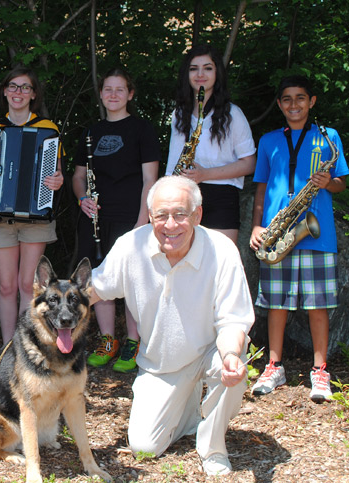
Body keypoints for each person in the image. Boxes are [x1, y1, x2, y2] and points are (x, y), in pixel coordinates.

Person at [91, 176, 254, 476]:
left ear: (197, 215)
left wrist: (231, 355)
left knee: (231, 362)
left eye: (180, 214)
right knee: (144, 447)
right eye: (161, 216)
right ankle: (191, 409)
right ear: (150, 216)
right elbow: (94, 289)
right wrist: (50, 314)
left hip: (210, 351)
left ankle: (213, 449)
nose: (171, 225)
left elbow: (233, 319)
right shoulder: (131, 245)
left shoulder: (222, 250)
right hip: (161, 365)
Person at [249, 75, 347, 403]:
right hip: (278, 233)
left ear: (312, 101)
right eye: (287, 99)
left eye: (300, 98)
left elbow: (341, 183)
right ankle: (274, 365)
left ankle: (320, 370)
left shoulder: (328, 137)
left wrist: (327, 182)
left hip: (316, 235)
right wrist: (256, 226)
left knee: (318, 305)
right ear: (279, 104)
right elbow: (260, 186)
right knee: (276, 302)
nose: (294, 105)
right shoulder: (269, 140)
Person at [0, 66, 64, 344]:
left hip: (36, 217)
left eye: (25, 87)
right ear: (5, 91)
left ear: (33, 95)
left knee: (27, 286)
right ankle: (8, 346)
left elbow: (56, 172)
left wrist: (58, 180)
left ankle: (24, 344)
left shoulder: (48, 129)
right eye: (13, 86)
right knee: (7, 285)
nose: (18, 92)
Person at [72, 68, 160, 372]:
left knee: (132, 279)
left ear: (130, 94)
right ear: (101, 94)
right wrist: (82, 199)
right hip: (95, 218)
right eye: (107, 89)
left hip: (130, 217)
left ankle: (134, 340)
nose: (113, 95)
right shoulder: (89, 132)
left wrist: (142, 222)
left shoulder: (142, 129)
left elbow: (151, 179)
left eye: (119, 89)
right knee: (99, 278)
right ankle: (108, 340)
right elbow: (79, 176)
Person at [165, 44, 256, 245]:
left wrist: (205, 174)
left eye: (207, 68)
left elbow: (250, 163)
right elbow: (172, 164)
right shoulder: (179, 114)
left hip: (222, 197)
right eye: (193, 68)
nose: (200, 74)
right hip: (186, 196)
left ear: (217, 73)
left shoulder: (233, 114)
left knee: (220, 268)